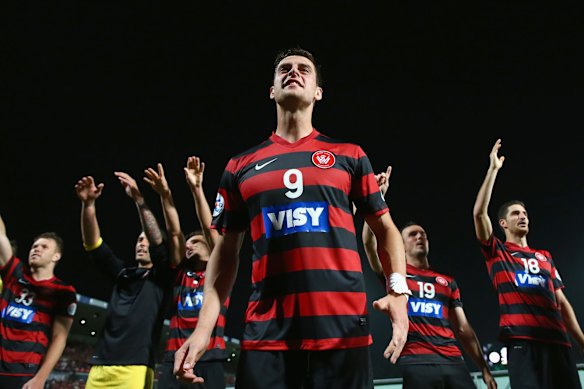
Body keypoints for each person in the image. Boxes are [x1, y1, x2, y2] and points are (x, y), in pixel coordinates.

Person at [174, 46, 410, 389]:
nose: (293, 72)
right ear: (272, 90)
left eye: (304, 69)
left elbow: (386, 229)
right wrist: (203, 329)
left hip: (343, 330)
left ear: (318, 92)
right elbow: (224, 255)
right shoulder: (240, 166)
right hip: (267, 335)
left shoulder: (350, 156)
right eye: (284, 68)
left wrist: (398, 291)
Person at [361, 166, 497, 389]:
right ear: (401, 245)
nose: (420, 237)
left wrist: (483, 367)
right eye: (412, 235)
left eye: (423, 234)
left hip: (454, 361)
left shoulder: (446, 281)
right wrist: (378, 197)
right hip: (417, 361)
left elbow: (462, 327)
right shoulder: (396, 274)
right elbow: (370, 242)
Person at [473, 138, 584, 388]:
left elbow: (563, 304)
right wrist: (493, 171)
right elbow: (479, 214)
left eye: (524, 213)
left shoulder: (544, 257)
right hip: (523, 343)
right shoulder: (497, 252)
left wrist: (581, 340)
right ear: (503, 223)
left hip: (558, 342)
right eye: (515, 213)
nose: (522, 216)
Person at [74, 172, 174, 389]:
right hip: (99, 366)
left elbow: (157, 240)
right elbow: (93, 245)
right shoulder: (123, 275)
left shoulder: (162, 278)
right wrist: (89, 205)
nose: (141, 244)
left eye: (146, 241)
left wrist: (139, 201)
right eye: (139, 240)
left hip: (135, 368)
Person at [143, 157, 229, 389]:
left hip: (211, 358)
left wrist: (196, 188)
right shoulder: (180, 275)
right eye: (187, 243)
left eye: (196, 242)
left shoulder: (221, 272)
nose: (189, 246)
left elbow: (209, 228)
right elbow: (174, 233)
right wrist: (165, 196)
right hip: (174, 357)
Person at [0, 214, 77, 389]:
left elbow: (59, 337)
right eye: (34, 246)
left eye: (44, 247)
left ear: (56, 256)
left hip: (24, 373)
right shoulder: (14, 274)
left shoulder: (64, 291)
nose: (36, 249)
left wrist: (41, 378)